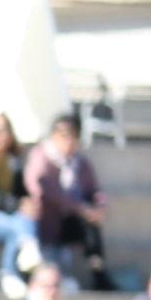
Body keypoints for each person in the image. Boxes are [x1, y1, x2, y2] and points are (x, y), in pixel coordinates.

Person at [28, 113, 109, 290]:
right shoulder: (41, 157)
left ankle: (98, 273)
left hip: (72, 220)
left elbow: (94, 189)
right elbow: (43, 189)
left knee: (91, 226)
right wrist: (79, 208)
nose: (68, 141)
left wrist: (100, 206)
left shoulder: (80, 163)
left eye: (73, 136)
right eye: (63, 135)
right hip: (47, 219)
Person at [0, 113, 41, 298]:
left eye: (6, 131)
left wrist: (28, 203)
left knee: (21, 223)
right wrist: (19, 204)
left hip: (11, 217)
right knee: (19, 226)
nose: (2, 136)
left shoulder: (13, 161)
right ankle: (27, 247)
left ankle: (9, 273)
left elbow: (21, 191)